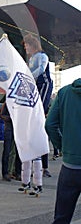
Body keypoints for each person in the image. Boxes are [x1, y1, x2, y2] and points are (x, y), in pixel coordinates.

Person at [45, 78, 81, 223]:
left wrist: (62, 146)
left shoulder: (64, 93)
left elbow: (50, 125)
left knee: (62, 217)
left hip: (70, 166)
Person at [23, 33, 53, 178]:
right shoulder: (31, 59)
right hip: (36, 85)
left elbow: (40, 70)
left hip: (44, 85)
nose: (25, 48)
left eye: (26, 45)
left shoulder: (41, 56)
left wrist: (28, 77)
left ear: (32, 45)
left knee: (39, 110)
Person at [0, 101, 21, 182]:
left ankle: (17, 172)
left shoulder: (21, 103)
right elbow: (2, 115)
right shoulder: (8, 102)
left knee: (19, 151)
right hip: (9, 128)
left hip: (18, 129)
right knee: (7, 151)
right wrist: (10, 117)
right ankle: (5, 173)